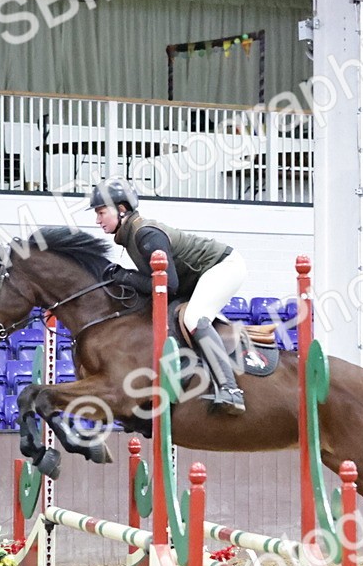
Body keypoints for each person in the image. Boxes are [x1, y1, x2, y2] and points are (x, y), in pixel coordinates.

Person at [90, 177, 247, 415]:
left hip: (224, 266)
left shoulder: (145, 234)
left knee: (194, 318)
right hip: (195, 277)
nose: (97, 220)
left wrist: (124, 276)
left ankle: (230, 389)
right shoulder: (130, 235)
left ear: (121, 209)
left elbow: (168, 285)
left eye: (101, 212)